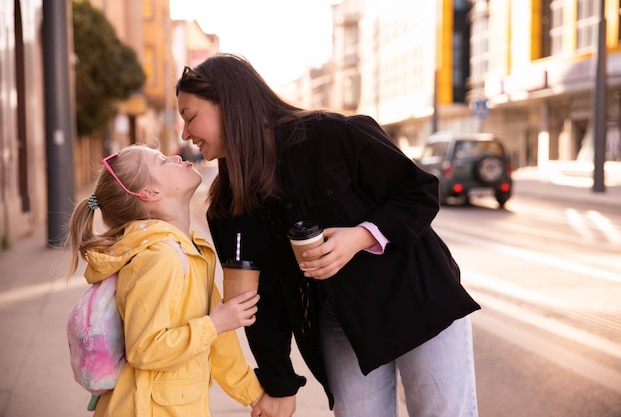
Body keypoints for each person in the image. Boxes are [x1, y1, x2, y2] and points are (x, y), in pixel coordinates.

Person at [175, 53, 481, 417]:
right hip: (342, 325)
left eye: (190, 117)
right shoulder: (227, 208)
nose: (185, 133)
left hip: (417, 297)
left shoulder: (332, 134)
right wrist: (279, 383)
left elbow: (419, 192)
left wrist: (360, 237)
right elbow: (260, 304)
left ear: (230, 104)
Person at [65, 144, 266, 417]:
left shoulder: (190, 248)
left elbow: (219, 341)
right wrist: (216, 323)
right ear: (149, 193)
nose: (177, 157)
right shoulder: (161, 257)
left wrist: (253, 394)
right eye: (162, 161)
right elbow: (144, 348)